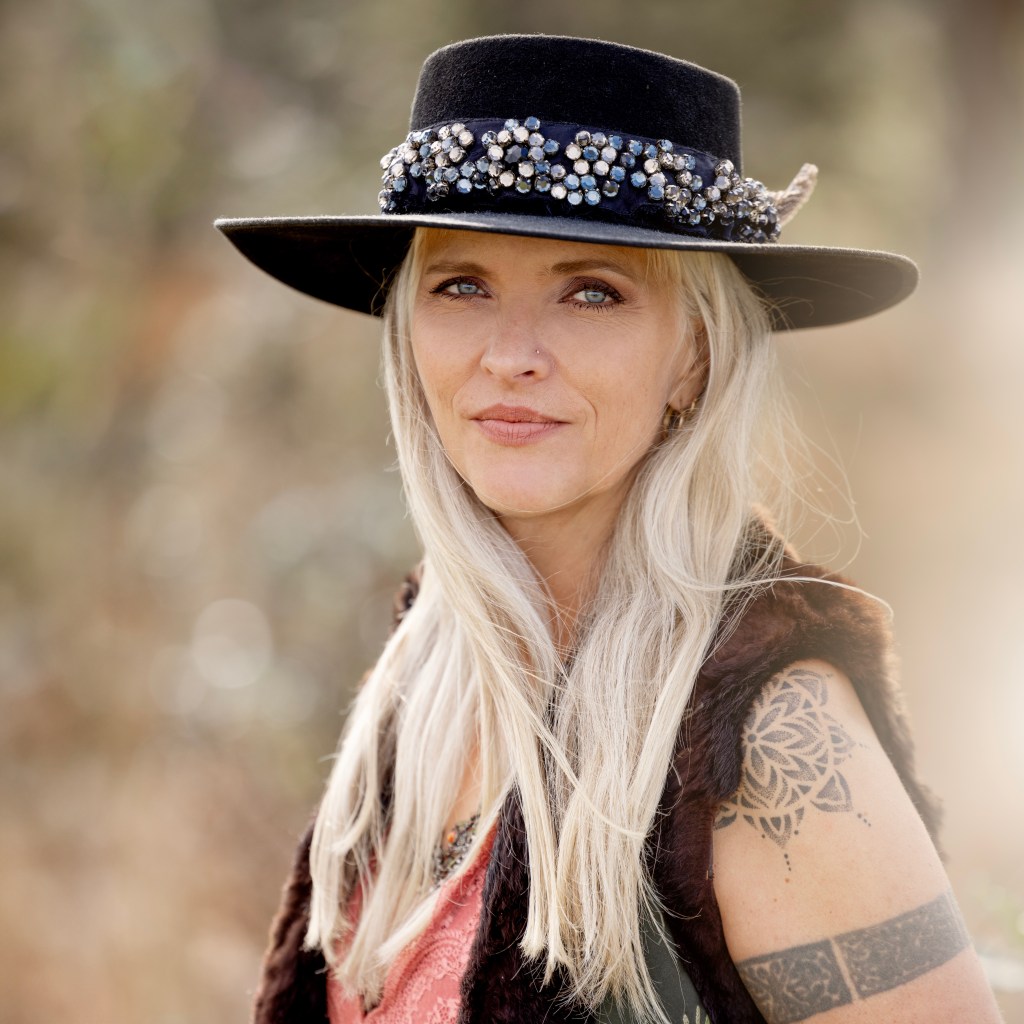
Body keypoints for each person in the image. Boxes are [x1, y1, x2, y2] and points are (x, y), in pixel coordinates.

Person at [216, 34, 1002, 1024]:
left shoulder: (759, 733)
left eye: (592, 291)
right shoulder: (430, 663)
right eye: (461, 284)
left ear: (694, 357)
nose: (510, 355)